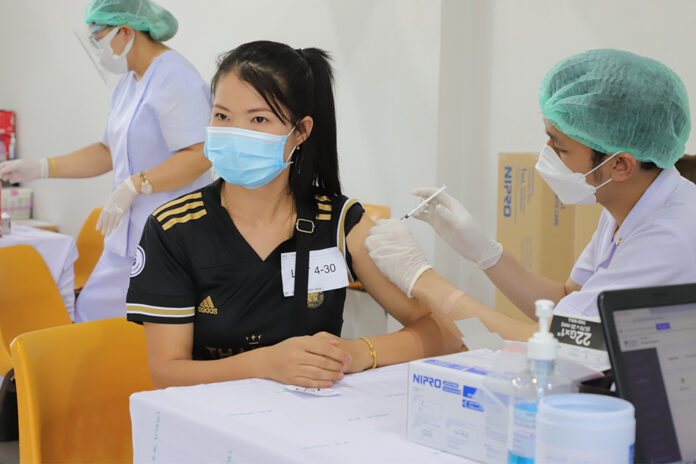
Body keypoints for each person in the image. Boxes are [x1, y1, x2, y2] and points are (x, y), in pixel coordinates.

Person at [125, 40, 460, 388]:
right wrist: (264, 363)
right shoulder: (173, 229)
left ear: (300, 131)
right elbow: (166, 372)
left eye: (259, 119)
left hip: (315, 423)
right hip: (212, 425)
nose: (236, 133)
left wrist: (357, 353)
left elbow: (445, 333)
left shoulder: (338, 222)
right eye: (222, 116)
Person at [366, 48, 696, 340]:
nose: (547, 153)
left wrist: (420, 278)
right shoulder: (628, 208)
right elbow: (567, 300)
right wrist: (486, 253)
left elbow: (564, 343)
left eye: (561, 148)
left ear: (620, 165)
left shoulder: (670, 238)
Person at [0, 0, 212, 322]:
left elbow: (200, 155)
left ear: (125, 31)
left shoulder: (175, 77)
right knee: (89, 319)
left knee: (144, 337)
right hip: (124, 239)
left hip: (168, 238)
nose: (96, 48)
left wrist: (135, 184)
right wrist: (42, 167)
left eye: (98, 37)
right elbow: (107, 151)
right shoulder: (129, 82)